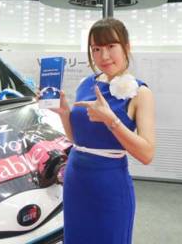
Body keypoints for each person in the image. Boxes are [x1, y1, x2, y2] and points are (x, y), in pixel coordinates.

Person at [48, 17, 155, 244]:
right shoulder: (87, 83)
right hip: (76, 179)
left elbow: (147, 154)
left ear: (127, 46)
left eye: (111, 46)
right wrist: (64, 113)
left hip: (109, 184)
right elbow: (77, 139)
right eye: (96, 49)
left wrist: (112, 121)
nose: (103, 56)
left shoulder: (141, 93)